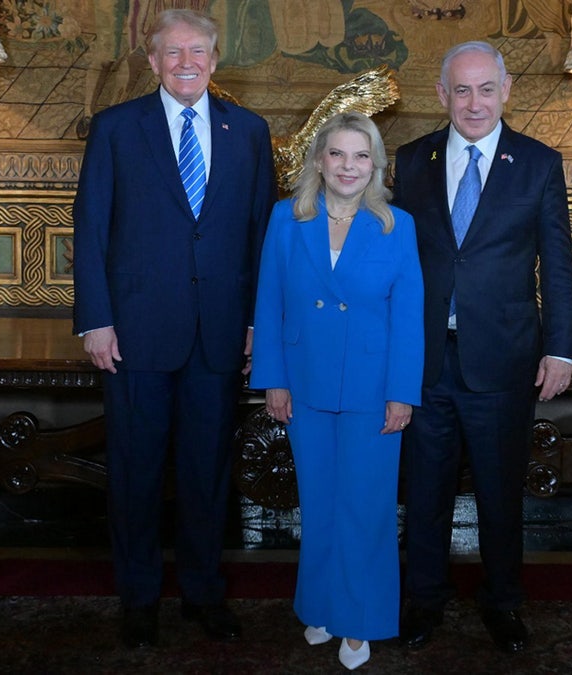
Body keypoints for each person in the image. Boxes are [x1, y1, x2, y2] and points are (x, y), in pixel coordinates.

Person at [71, 8, 275, 649]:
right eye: (173, 53)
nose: (186, 62)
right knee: (134, 470)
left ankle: (203, 592)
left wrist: (255, 323)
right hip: (132, 334)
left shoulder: (248, 131)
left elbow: (260, 237)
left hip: (219, 334)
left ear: (215, 60)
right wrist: (95, 320)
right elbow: (90, 228)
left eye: (198, 52)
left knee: (207, 471)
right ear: (152, 61)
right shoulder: (115, 129)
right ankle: (137, 598)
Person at [391, 40, 572, 654]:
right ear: (442, 96)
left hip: (504, 360)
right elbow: (392, 259)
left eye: (486, 89)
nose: (475, 103)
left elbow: (556, 267)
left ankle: (503, 604)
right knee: (424, 492)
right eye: (462, 90)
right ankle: (425, 601)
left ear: (506, 92)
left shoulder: (540, 164)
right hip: (424, 360)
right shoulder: (411, 159)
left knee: (501, 493)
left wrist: (562, 350)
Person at [251, 111, 424, 670]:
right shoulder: (286, 219)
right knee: (319, 503)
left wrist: (402, 393)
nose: (348, 166)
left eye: (361, 155)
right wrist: (273, 379)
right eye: (337, 154)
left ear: (375, 164)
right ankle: (321, 606)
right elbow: (269, 303)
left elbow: (410, 318)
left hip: (374, 390)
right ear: (319, 160)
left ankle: (361, 619)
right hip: (304, 386)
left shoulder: (397, 225)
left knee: (366, 508)